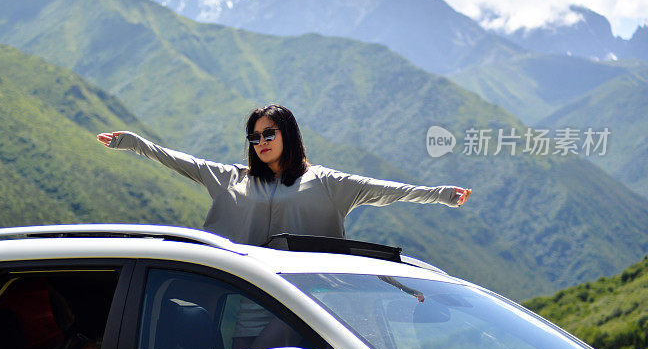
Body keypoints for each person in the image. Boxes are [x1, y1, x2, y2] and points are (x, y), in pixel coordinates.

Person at [97, 104, 470, 246]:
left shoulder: (327, 183)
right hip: (243, 297)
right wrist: (132, 142)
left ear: (288, 135)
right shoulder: (233, 179)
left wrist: (441, 194)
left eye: (269, 134)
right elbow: (178, 160)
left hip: (305, 304)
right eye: (255, 136)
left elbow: (388, 190)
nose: (261, 141)